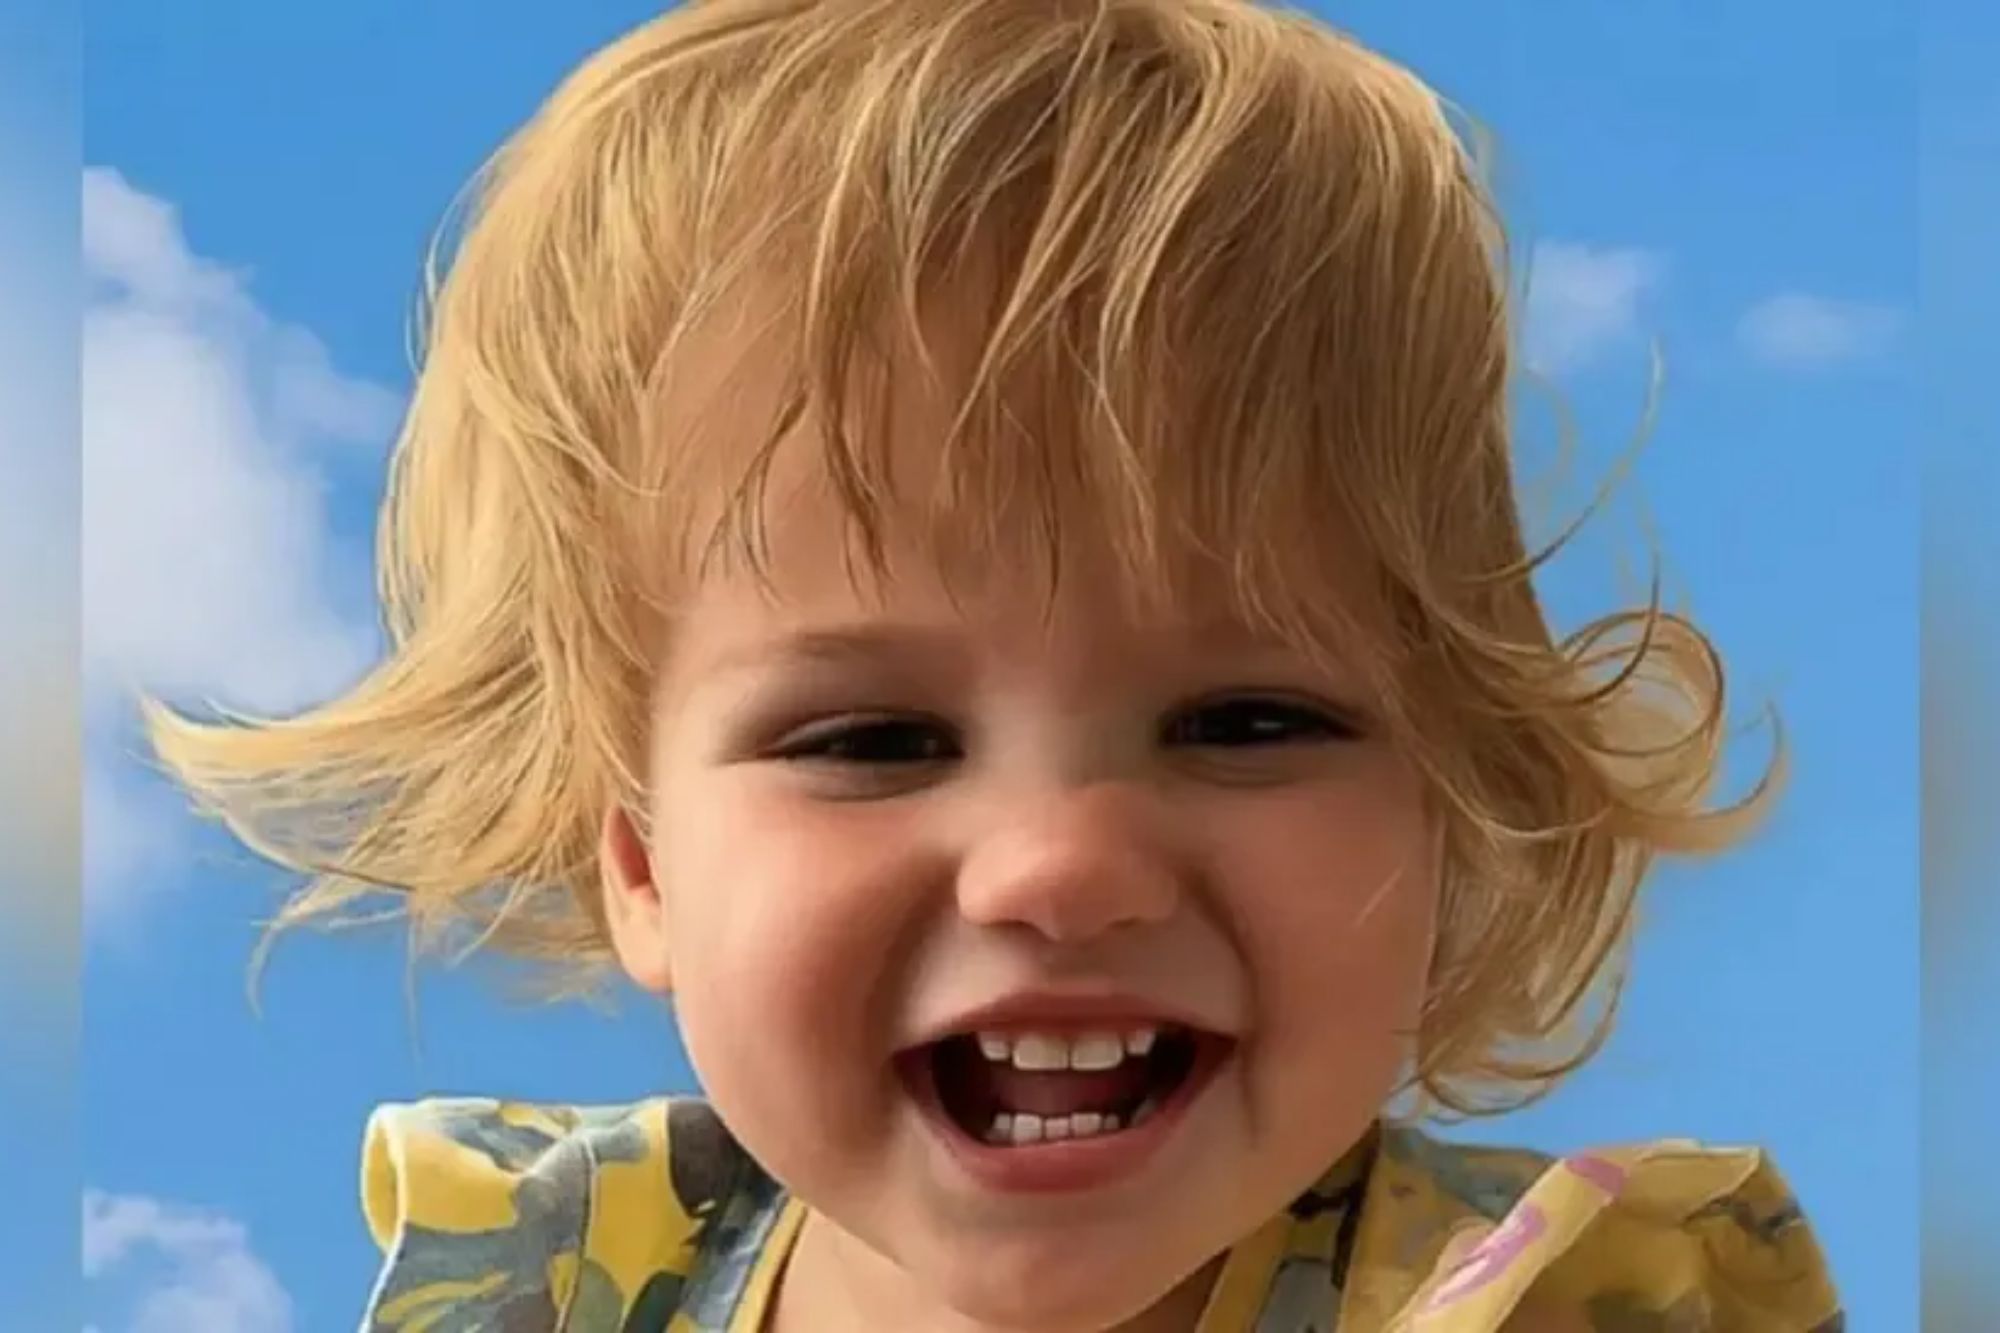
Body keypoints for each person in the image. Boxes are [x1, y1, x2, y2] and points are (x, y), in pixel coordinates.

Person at [144, 0, 1844, 1328]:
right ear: (646, 857)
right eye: (874, 736)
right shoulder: (559, 1287)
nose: (1064, 865)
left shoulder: (1556, 1308)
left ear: (1448, 808)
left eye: (1249, 718)